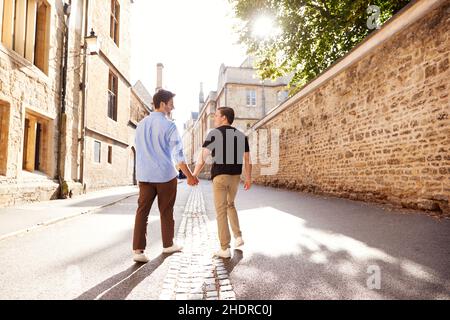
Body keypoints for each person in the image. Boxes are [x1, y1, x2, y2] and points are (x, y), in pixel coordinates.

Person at [132, 89, 199, 263]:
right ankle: (168, 244)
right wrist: (190, 176)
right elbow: (178, 154)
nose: (173, 107)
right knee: (166, 211)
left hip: (145, 175)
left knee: (142, 211)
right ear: (162, 104)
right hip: (164, 176)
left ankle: (138, 251)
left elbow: (139, 150)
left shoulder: (140, 125)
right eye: (171, 103)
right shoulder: (169, 125)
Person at [193, 107, 252, 258]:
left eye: (217, 116)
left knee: (221, 211)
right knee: (230, 204)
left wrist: (194, 175)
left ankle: (224, 248)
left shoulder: (214, 134)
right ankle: (238, 237)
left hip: (220, 176)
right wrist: (249, 177)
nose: (215, 118)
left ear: (224, 118)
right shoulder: (241, 136)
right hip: (235, 177)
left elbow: (202, 157)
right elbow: (247, 160)